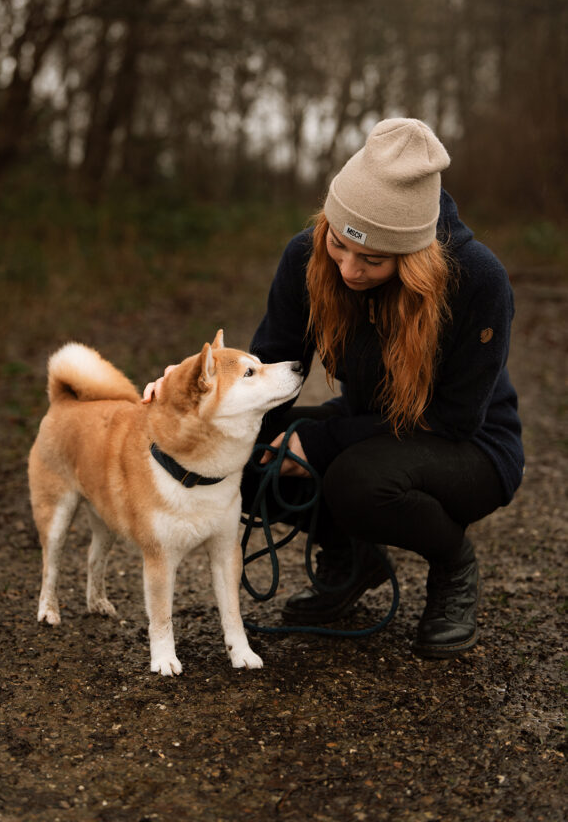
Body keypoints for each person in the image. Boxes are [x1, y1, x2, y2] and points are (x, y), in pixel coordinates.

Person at [144, 117, 524, 659]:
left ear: (413, 258)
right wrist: (186, 398)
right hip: (372, 425)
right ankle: (353, 560)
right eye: (340, 244)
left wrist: (319, 442)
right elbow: (270, 368)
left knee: (358, 481)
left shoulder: (478, 280)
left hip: (470, 444)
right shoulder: (306, 256)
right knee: (239, 464)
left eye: (372, 259)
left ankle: (453, 565)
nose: (348, 268)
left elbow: (457, 417)